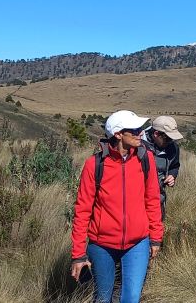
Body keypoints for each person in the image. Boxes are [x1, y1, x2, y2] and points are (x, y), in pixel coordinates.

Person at [70, 110, 163, 303]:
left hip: (138, 242)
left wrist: (155, 237)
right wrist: (78, 254)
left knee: (131, 297)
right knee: (103, 298)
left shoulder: (146, 159)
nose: (141, 133)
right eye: (135, 130)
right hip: (101, 244)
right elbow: (82, 210)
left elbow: (152, 199)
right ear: (119, 134)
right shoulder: (94, 165)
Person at [141, 115, 183, 220]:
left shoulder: (173, 148)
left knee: (156, 233)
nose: (170, 142)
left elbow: (175, 165)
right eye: (168, 139)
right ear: (156, 134)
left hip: (158, 200)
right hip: (138, 202)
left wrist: (172, 176)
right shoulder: (137, 146)